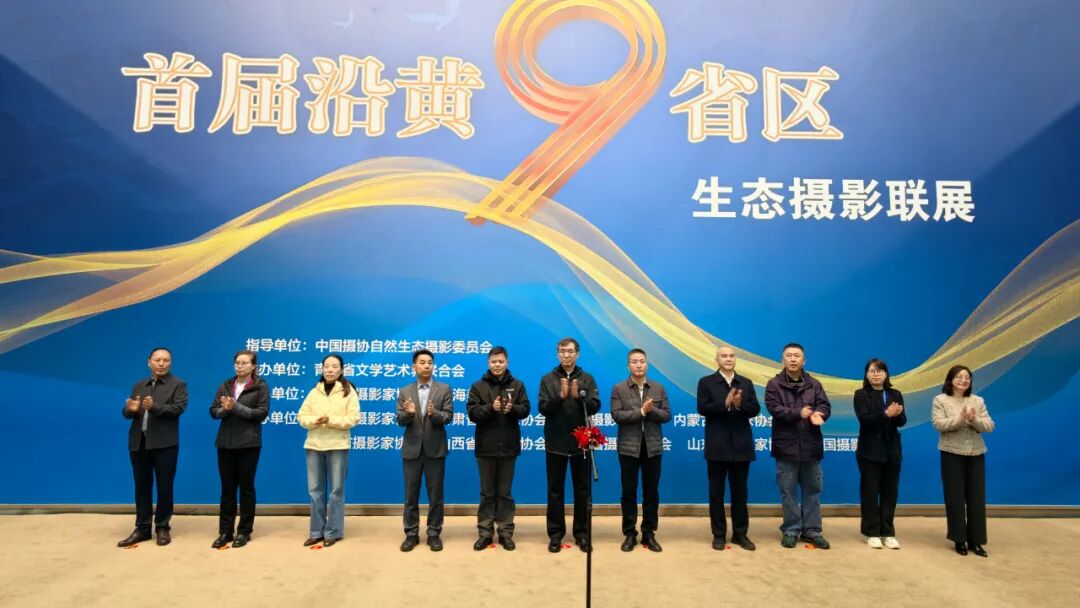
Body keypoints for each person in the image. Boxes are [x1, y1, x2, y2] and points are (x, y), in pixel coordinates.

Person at [118, 347, 188, 548]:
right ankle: (142, 527)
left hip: (165, 444)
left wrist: (154, 407)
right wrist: (131, 410)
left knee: (165, 487)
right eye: (157, 360)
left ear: (170, 363)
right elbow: (127, 412)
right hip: (139, 443)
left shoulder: (178, 385)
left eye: (166, 360)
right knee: (141, 486)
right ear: (149, 362)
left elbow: (178, 408)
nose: (161, 363)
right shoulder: (139, 385)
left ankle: (163, 527)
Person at [764, 342, 832, 550]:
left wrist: (820, 414)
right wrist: (797, 413)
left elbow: (824, 405)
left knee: (813, 490)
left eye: (797, 356)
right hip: (786, 447)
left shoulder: (814, 384)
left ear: (804, 360)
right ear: (782, 359)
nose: (793, 359)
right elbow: (774, 408)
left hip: (811, 446)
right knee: (788, 491)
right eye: (789, 355)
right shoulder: (774, 384)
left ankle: (812, 530)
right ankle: (791, 530)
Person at [538, 337, 601, 553]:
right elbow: (543, 408)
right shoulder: (548, 379)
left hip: (581, 442)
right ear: (558, 354)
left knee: (582, 490)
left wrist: (578, 397)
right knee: (555, 490)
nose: (566, 355)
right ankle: (555, 535)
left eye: (570, 351)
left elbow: (595, 405)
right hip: (555, 442)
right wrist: (561, 396)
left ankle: (582, 534)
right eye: (562, 351)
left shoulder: (587, 379)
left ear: (577, 354)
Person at [696, 345, 760, 551]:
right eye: (724, 356)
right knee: (716, 494)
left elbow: (755, 409)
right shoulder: (706, 382)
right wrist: (724, 404)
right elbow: (702, 408)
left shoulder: (746, 383)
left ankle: (740, 534)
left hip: (741, 447)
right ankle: (719, 535)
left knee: (740, 494)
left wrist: (740, 405)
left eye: (731, 356)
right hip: (717, 447)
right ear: (716, 359)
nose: (728, 359)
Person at [466, 346, 531, 551]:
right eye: (494, 362)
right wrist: (490, 408)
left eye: (501, 361)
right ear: (488, 363)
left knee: (505, 493)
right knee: (487, 493)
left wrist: (513, 409)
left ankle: (505, 532)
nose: (497, 365)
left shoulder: (517, 385)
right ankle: (485, 533)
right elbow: (472, 413)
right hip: (485, 447)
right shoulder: (478, 386)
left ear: (507, 363)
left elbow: (526, 410)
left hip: (509, 447)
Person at [611, 348, 671, 552]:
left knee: (651, 492)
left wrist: (651, 411)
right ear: (628, 365)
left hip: (652, 447)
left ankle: (649, 533)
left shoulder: (658, 388)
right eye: (634, 361)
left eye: (642, 361)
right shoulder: (619, 388)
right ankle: (629, 533)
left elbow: (666, 415)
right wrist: (641, 412)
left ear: (647, 364)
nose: (638, 365)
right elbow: (617, 416)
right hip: (628, 448)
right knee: (628, 492)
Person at [297, 354, 360, 548]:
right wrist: (314, 420)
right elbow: (301, 416)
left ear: (341, 370)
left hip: (338, 445)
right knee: (315, 490)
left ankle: (333, 532)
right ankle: (316, 532)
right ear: (322, 369)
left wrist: (330, 421)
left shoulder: (348, 391)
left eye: (334, 366)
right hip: (314, 445)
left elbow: (353, 419)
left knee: (336, 491)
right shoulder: (314, 392)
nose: (330, 370)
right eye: (327, 366)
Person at [209, 350, 270, 549]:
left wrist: (235, 407)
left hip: (248, 444)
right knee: (227, 488)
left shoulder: (260, 386)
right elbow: (213, 411)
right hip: (225, 443)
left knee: (246, 488)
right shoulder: (226, 385)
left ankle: (244, 531)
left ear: (254, 366)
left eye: (244, 363)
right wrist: (224, 410)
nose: (240, 366)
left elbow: (261, 413)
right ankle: (225, 532)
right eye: (237, 363)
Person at [932, 365, 994, 557]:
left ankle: (976, 540)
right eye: (959, 377)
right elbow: (938, 424)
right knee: (955, 497)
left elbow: (989, 425)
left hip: (976, 453)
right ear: (951, 380)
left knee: (976, 498)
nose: (963, 380)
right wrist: (959, 418)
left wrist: (975, 420)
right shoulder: (940, 400)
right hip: (951, 452)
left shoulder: (977, 400)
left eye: (967, 377)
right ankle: (959, 539)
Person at [396, 349, 453, 552]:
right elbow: (399, 420)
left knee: (435, 495)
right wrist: (409, 414)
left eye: (430, 362)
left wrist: (434, 413)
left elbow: (448, 416)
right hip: (412, 450)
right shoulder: (405, 391)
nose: (427, 366)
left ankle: (434, 533)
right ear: (414, 366)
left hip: (435, 449)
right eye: (422, 362)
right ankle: (411, 533)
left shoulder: (444, 389)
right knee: (410, 494)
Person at [853, 358, 906, 550]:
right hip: (869, 451)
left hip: (892, 450)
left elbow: (902, 421)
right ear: (867, 374)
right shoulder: (861, 394)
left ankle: (888, 532)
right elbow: (865, 419)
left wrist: (897, 415)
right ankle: (872, 532)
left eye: (880, 371)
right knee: (870, 492)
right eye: (872, 371)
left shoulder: (895, 394)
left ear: (886, 374)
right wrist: (886, 414)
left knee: (890, 493)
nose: (876, 375)